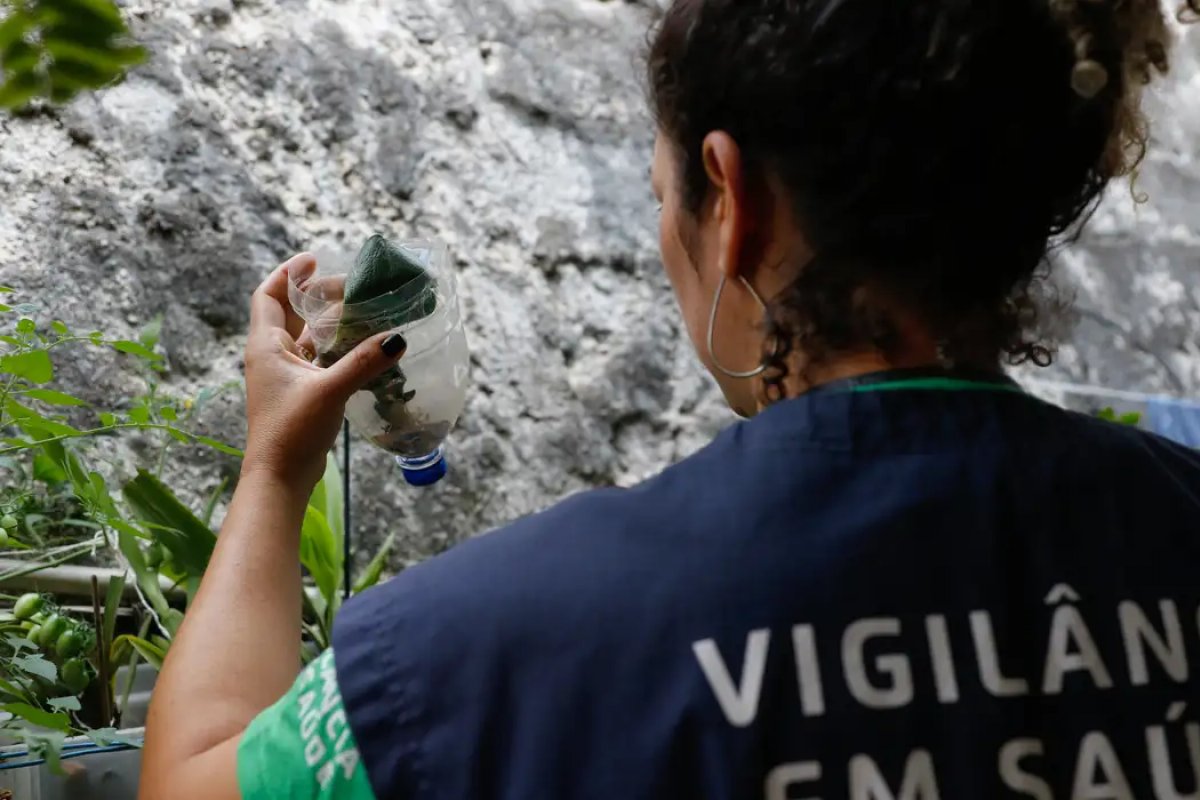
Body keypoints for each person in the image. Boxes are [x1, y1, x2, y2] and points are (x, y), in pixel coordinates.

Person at [140, 1, 1200, 798]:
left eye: (664, 195)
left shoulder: (482, 651)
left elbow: (191, 778)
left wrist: (276, 466)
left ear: (732, 200)